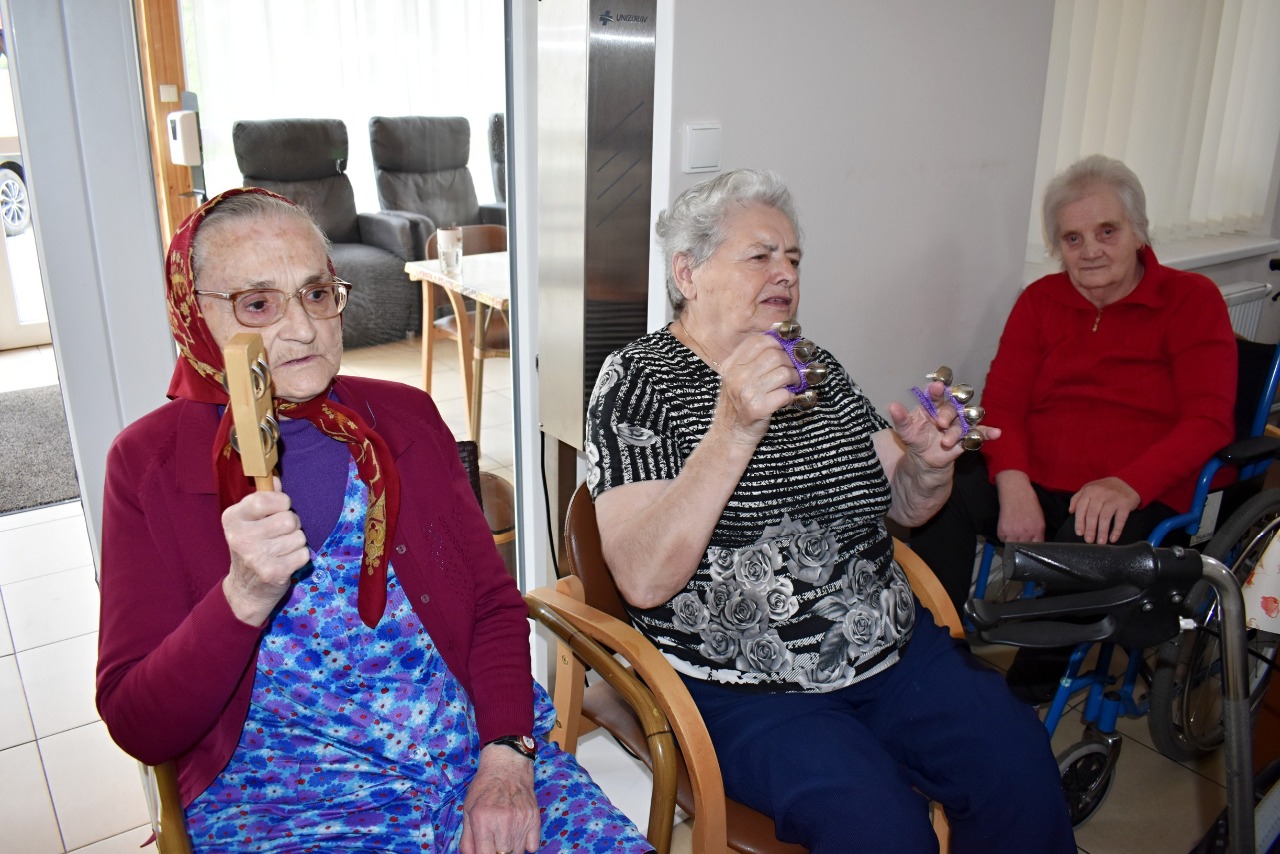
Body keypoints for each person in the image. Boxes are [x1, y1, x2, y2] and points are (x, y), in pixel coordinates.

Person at [96, 188, 651, 854]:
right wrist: (241, 597)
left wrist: (506, 757)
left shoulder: (407, 419)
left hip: (470, 757)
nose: (303, 328)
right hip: (288, 809)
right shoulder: (148, 466)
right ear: (193, 314)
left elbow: (491, 607)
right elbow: (140, 725)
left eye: (316, 293)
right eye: (259, 304)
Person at [584, 169, 1075, 853]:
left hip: (893, 651)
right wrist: (733, 428)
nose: (785, 272)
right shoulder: (639, 382)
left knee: (1018, 767)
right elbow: (641, 580)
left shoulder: (813, 366)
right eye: (761, 255)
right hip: (747, 687)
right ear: (687, 272)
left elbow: (903, 505)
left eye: (793, 258)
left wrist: (928, 465)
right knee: (881, 831)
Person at [909, 155, 1237, 697]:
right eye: (1073, 238)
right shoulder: (1040, 301)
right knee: (948, 490)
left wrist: (1127, 484)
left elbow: (1209, 421)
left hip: (1135, 492)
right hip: (1040, 478)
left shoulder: (1190, 300)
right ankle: (935, 655)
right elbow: (1004, 404)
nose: (1090, 251)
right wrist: (1013, 482)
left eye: (1107, 231)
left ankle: (1023, 695)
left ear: (1138, 231)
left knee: (1086, 541)